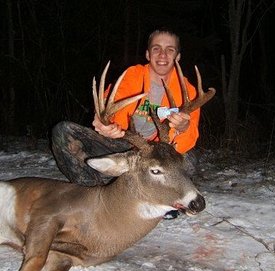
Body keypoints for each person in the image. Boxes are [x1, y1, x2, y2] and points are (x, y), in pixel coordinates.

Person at [52, 28, 200, 188]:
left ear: (177, 56)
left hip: (158, 152)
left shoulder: (188, 91)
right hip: (123, 144)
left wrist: (183, 128)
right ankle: (93, 190)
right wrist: (105, 124)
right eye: (156, 48)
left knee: (190, 162)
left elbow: (189, 139)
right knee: (63, 132)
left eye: (170, 50)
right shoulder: (131, 76)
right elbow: (108, 105)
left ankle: (137, 183)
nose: (162, 54)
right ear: (148, 54)